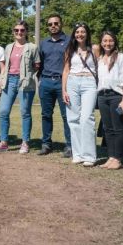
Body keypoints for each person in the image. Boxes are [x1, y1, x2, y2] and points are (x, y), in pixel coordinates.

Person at [0, 20, 40, 154]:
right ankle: (4, 142)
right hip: (9, 81)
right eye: (16, 30)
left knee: (25, 112)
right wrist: (1, 83)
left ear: (26, 32)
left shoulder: (33, 47)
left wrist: (28, 76)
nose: (19, 32)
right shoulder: (8, 47)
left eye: (22, 30)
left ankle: (25, 142)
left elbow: (37, 65)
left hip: (25, 83)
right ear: (13, 32)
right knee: (3, 112)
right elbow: (5, 66)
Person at [62, 22, 100, 166]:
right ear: (74, 34)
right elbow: (65, 70)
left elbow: (99, 67)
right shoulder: (69, 50)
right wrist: (64, 90)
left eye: (83, 31)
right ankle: (77, 154)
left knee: (87, 118)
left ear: (87, 33)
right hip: (72, 82)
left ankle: (89, 156)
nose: (80, 34)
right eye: (77, 32)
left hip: (89, 83)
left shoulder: (94, 49)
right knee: (73, 119)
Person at [37, 14, 72, 157]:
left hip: (63, 83)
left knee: (66, 115)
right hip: (45, 82)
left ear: (61, 24)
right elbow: (39, 63)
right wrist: (40, 80)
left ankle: (70, 145)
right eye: (50, 24)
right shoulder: (43, 43)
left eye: (56, 23)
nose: (53, 26)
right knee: (46, 115)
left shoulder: (70, 40)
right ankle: (46, 144)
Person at [96, 31, 123, 170]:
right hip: (102, 97)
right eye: (105, 41)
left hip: (117, 96)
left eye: (110, 40)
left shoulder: (121, 58)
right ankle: (111, 157)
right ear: (101, 42)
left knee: (118, 128)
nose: (107, 43)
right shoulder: (100, 59)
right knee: (107, 129)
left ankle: (118, 158)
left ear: (115, 42)